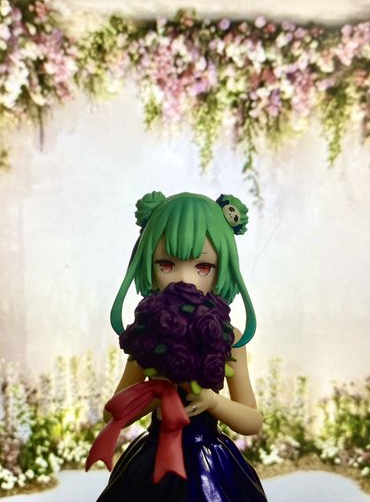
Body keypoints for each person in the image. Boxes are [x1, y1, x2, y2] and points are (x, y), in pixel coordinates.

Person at [95, 191, 268, 501]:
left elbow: (252, 421)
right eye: (166, 264)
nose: (184, 279)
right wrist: (155, 393)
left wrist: (213, 402)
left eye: (202, 267)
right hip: (153, 459)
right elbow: (113, 414)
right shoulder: (147, 333)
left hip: (209, 463)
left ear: (221, 269)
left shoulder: (229, 337)